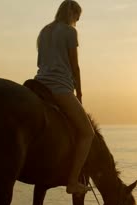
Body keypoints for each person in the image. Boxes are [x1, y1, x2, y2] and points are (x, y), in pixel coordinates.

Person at [35, 0, 94, 194]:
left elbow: (40, 62)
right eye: (77, 17)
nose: (77, 21)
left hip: (39, 85)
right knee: (87, 133)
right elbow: (74, 65)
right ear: (72, 14)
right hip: (59, 87)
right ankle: (72, 181)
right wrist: (80, 93)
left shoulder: (44, 31)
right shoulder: (70, 32)